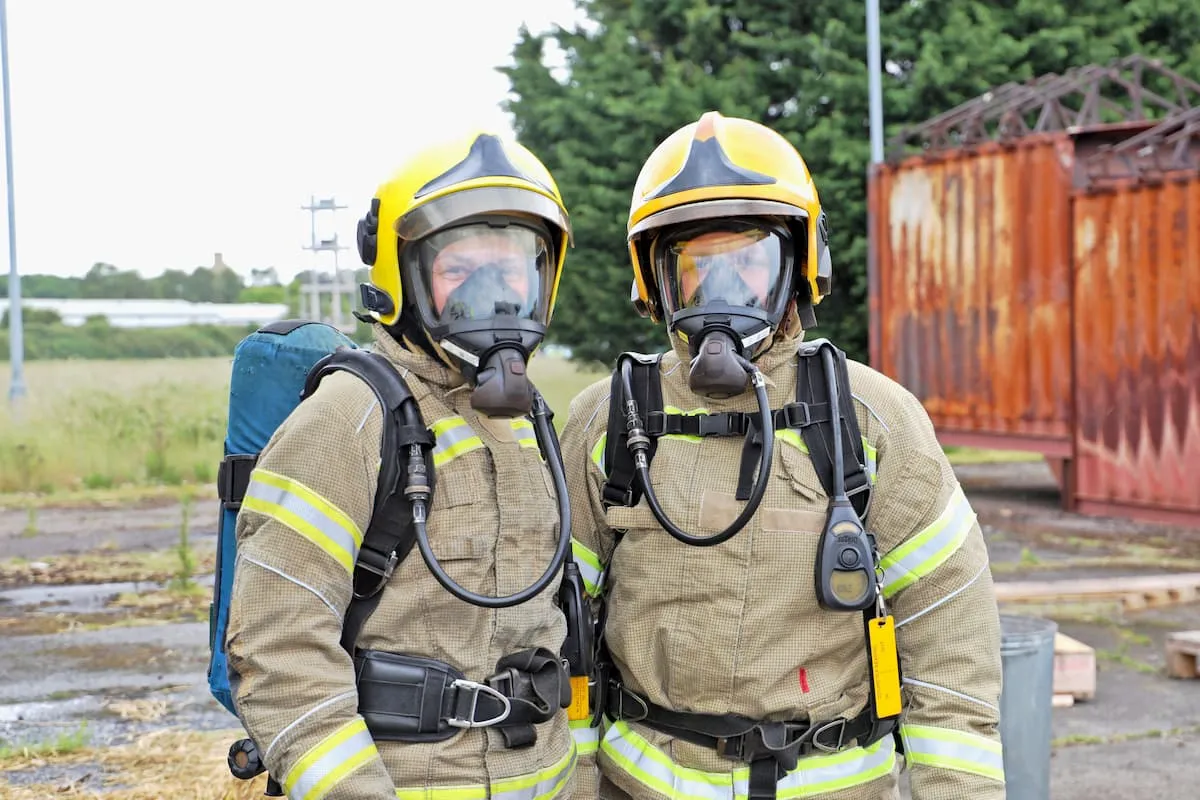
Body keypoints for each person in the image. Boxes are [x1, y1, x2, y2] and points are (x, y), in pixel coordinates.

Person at [560, 111, 1006, 800]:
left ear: (799, 267)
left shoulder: (870, 419)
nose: (723, 293)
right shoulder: (609, 420)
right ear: (656, 280)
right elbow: (556, 625)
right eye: (696, 266)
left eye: (748, 262)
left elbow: (951, 644)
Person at [224, 130, 594, 800]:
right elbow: (279, 650)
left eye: (513, 267)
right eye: (461, 267)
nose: (495, 292)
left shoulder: (528, 416)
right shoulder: (349, 416)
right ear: (403, 274)